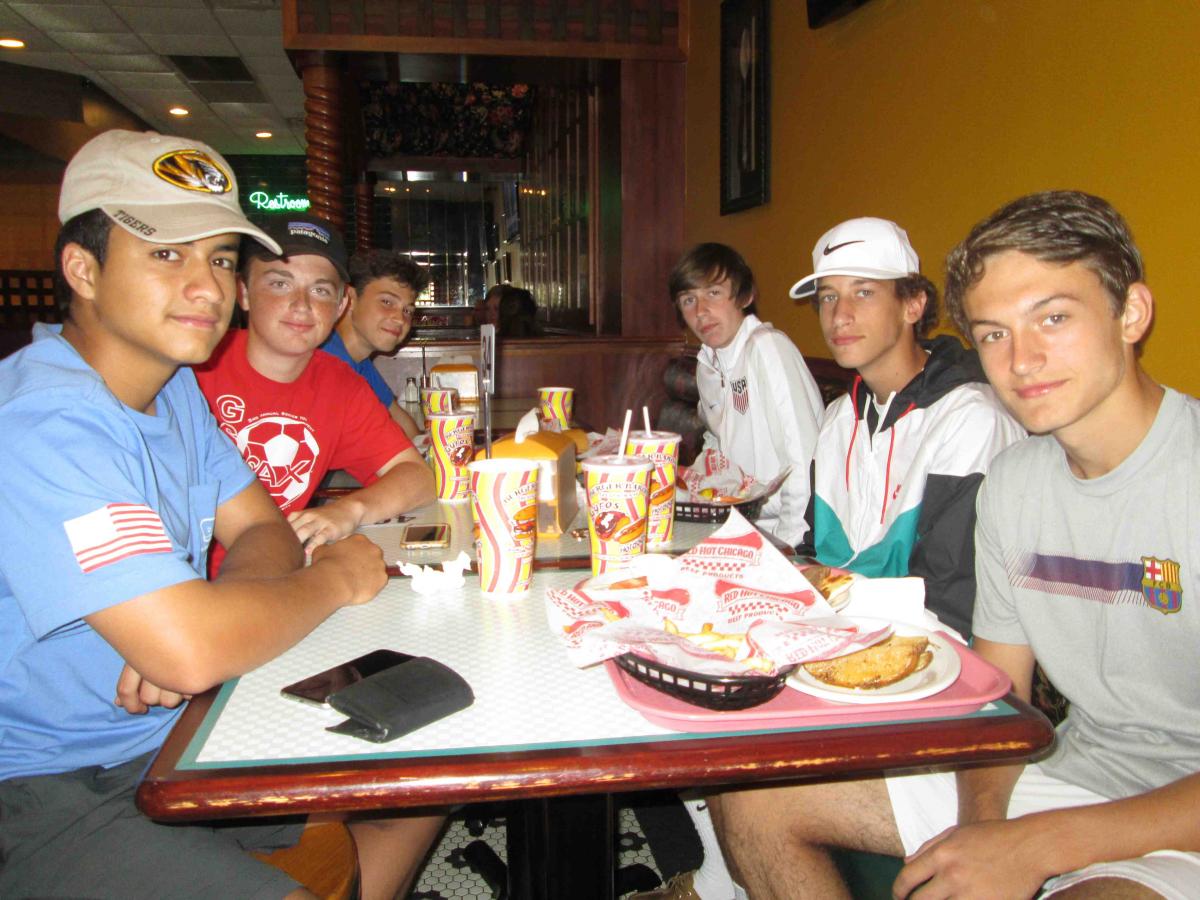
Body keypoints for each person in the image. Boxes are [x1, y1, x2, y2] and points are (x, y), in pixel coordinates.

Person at [714, 191, 1200, 899]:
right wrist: (982, 830)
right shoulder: (1015, 483)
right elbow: (995, 697)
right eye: (995, 333)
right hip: (1070, 771)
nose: (1022, 359)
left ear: (1131, 313)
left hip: (1180, 813)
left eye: (1053, 318)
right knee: (751, 796)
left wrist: (1034, 846)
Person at [0, 129, 441, 898]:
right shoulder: (45, 423)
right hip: (46, 782)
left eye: (220, 258)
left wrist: (197, 629)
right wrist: (332, 578)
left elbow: (261, 527)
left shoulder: (172, 389)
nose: (205, 287)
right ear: (83, 269)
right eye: (166, 253)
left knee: (421, 781)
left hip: (176, 728)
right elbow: (196, 644)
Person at [791, 217, 1024, 638]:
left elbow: (951, 602)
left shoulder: (971, 419)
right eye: (828, 296)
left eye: (863, 292)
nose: (839, 316)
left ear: (912, 305)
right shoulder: (839, 417)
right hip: (831, 630)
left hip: (929, 647)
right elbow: (816, 552)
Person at [195, 215, 434, 574]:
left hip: (275, 576)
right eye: (280, 284)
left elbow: (418, 478)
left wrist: (348, 510)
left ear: (340, 305)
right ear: (243, 292)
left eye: (320, 290)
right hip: (186, 585)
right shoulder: (193, 368)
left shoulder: (340, 384)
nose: (302, 304)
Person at [671, 242, 824, 549]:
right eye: (689, 300)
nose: (700, 311)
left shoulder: (766, 347)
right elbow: (717, 443)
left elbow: (804, 456)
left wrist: (790, 547)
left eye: (713, 293)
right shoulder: (707, 364)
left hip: (779, 532)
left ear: (745, 296)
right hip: (731, 524)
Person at [322, 248, 426, 437]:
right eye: (387, 302)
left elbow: (404, 426)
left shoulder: (360, 363)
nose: (400, 319)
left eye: (407, 311)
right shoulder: (326, 362)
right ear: (349, 299)